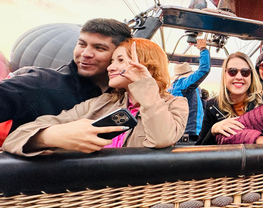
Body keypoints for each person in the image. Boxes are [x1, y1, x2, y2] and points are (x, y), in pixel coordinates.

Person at [3, 38, 188, 156]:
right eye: (111, 61)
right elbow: (16, 137)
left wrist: (145, 88)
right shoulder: (102, 103)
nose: (110, 67)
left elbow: (161, 138)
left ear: (146, 64)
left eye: (120, 60)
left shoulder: (175, 104)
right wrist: (51, 136)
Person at [0, 18, 132, 133]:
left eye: (99, 48)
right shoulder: (40, 83)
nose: (86, 53)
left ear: (118, 53)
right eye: (82, 44)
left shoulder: (126, 96)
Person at [196, 52, 263, 145]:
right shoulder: (212, 106)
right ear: (225, 74)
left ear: (251, 76)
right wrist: (213, 130)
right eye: (232, 72)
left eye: (245, 72)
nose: (239, 77)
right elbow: (200, 149)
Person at [170, 38, 211, 141]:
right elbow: (204, 69)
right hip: (189, 134)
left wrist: (203, 100)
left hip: (183, 133)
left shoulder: (174, 87)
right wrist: (203, 49)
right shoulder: (184, 84)